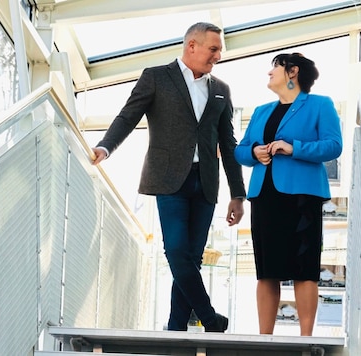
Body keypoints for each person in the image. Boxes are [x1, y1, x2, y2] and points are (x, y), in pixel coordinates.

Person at [90, 22, 246, 332]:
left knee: (192, 257)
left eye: (219, 50)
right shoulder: (157, 77)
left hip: (206, 182)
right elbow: (128, 116)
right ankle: (210, 319)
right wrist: (105, 147)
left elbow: (228, 144)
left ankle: (176, 327)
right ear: (192, 45)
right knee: (176, 251)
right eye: (213, 49)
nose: (218, 56)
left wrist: (237, 194)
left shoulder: (220, 90)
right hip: (168, 179)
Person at [234, 52, 342, 336]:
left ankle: (306, 338)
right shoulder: (261, 111)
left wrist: (294, 147)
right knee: (267, 269)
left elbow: (333, 145)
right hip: (265, 194)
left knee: (304, 267)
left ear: (293, 72)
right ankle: (264, 338)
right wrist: (255, 152)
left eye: (275, 68)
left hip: (302, 195)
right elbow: (240, 150)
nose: (269, 74)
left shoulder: (320, 104)